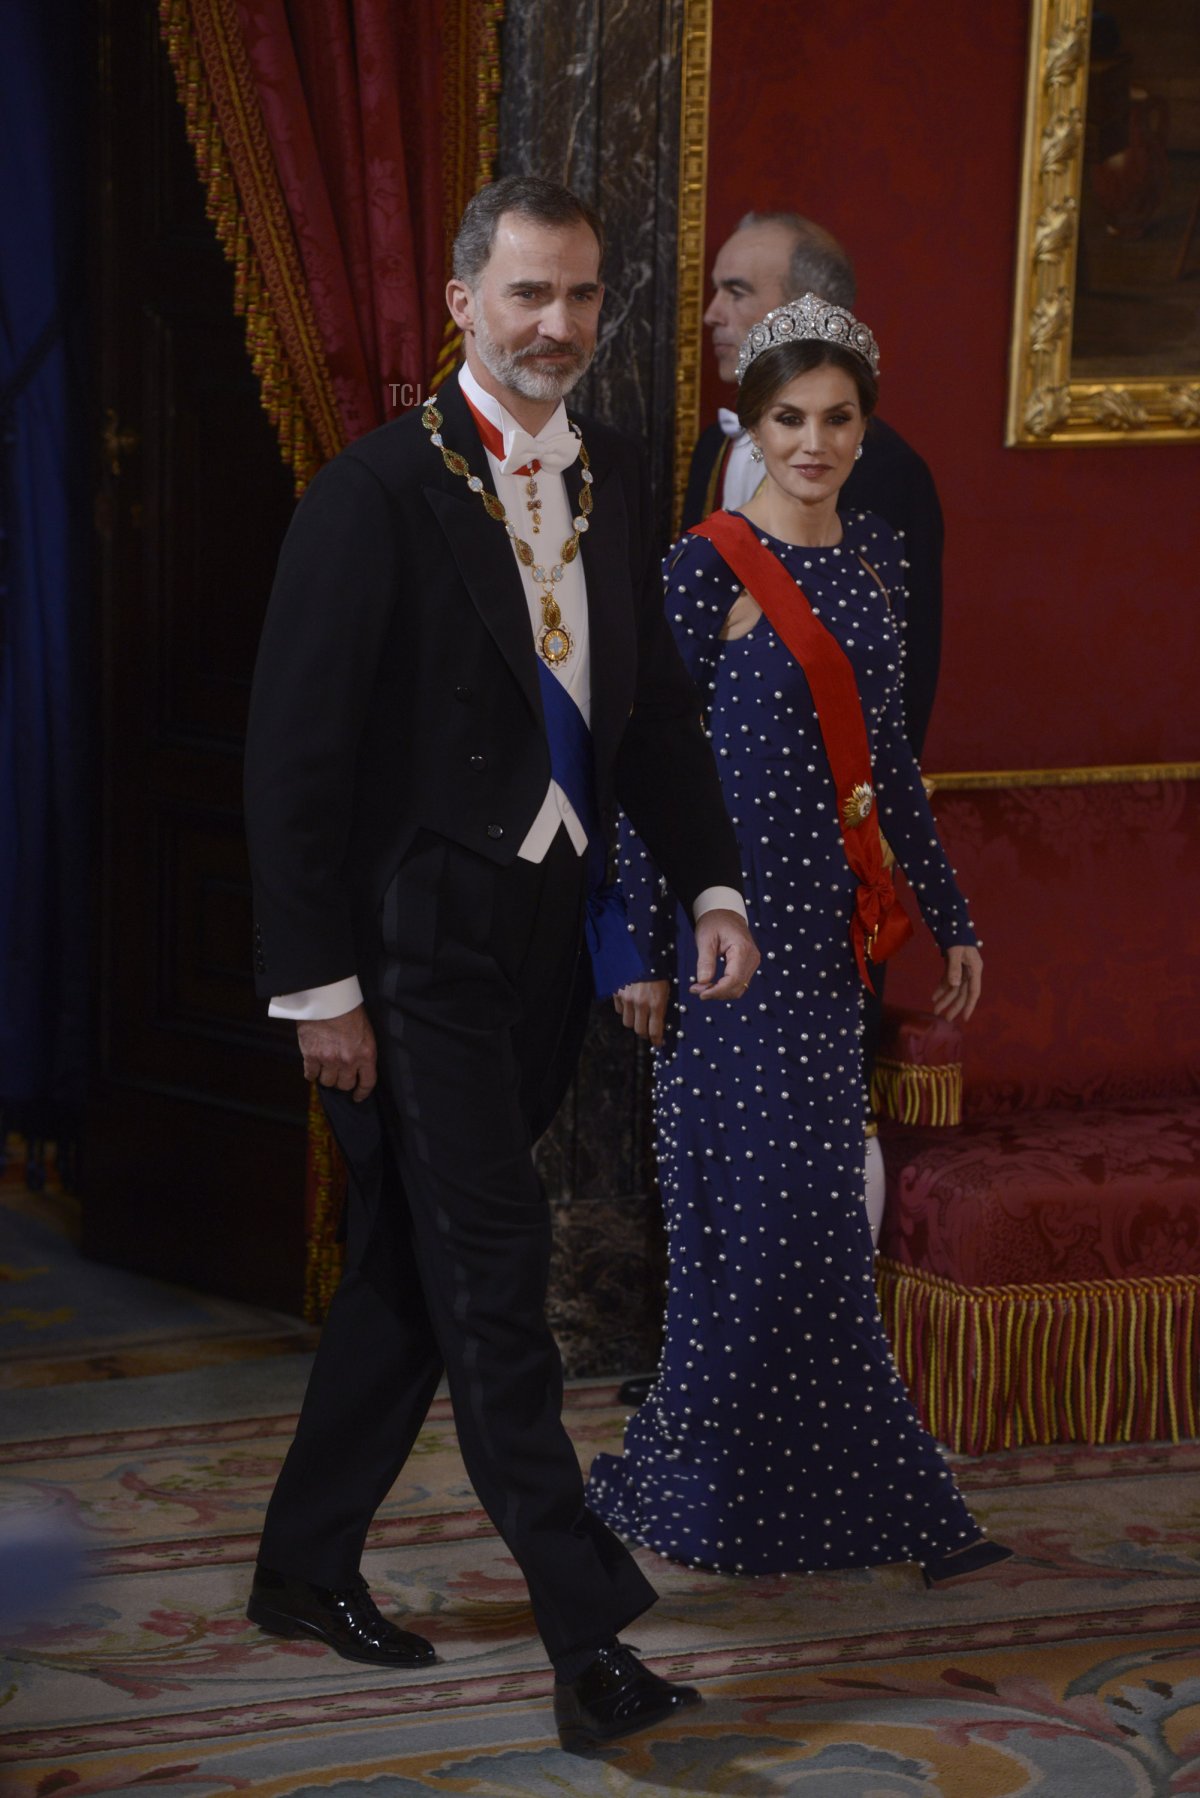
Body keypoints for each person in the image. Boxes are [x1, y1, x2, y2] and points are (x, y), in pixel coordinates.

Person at [241, 174, 760, 1748]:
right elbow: (293, 762)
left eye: (583, 297)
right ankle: (589, 1640)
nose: (558, 326)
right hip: (416, 953)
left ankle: (298, 1561)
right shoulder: (370, 496)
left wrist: (716, 882)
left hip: (541, 943)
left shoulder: (600, 476)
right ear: (463, 300)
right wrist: (319, 989)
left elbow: (653, 722)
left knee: (414, 1261)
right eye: (529, 294)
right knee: (494, 1271)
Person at [591, 294, 1010, 1587]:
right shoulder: (702, 565)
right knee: (751, 1231)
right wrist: (635, 948)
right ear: (752, 425)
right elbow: (638, 774)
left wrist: (950, 916)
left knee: (820, 1227)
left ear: (865, 427)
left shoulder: (876, 559)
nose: (814, 442)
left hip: (831, 952)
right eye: (790, 419)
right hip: (728, 948)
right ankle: (704, 1484)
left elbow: (888, 764)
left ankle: (873, 1499)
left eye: (837, 420)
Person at [682, 211, 943, 759]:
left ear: (804, 309)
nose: (712, 315)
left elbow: (905, 668)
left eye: (736, 291)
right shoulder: (715, 447)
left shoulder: (887, 472)